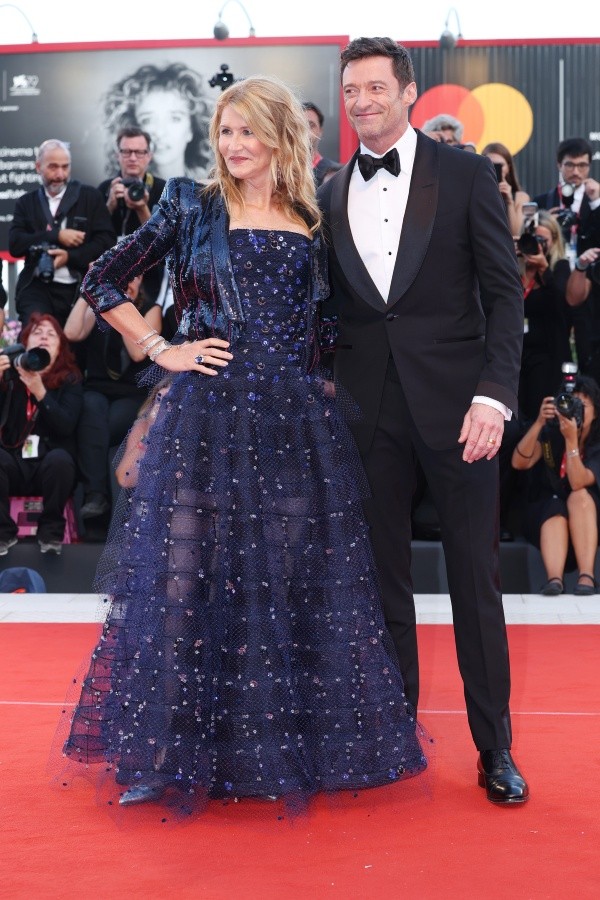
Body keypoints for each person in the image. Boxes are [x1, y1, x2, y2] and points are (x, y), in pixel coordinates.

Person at [59, 74, 426, 811]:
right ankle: (166, 754)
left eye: (248, 132)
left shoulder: (311, 216)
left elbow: (326, 327)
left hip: (292, 422)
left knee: (284, 587)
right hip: (206, 416)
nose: (233, 146)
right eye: (225, 132)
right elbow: (101, 277)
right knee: (183, 583)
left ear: (280, 136)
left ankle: (273, 751)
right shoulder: (189, 205)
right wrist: (159, 346)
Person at [318, 37, 528, 804]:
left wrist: (494, 395)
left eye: (376, 87)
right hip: (367, 415)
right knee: (382, 590)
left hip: (462, 414)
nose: (363, 101)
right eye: (352, 91)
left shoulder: (468, 175)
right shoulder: (331, 190)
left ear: (410, 93)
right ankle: (392, 738)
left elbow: (506, 300)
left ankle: (494, 750)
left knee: (476, 582)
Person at [64, 275, 162, 521]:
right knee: (90, 407)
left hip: (131, 392)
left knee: (100, 426)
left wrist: (124, 308)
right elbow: (71, 333)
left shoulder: (151, 310)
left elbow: (138, 353)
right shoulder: (98, 307)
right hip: (96, 389)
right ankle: (96, 495)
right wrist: (89, 291)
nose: (129, 279)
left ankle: (98, 498)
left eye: (137, 276)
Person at [8, 140, 116, 329]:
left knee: (83, 351)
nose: (60, 174)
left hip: (82, 287)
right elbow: (16, 245)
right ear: (38, 167)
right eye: (53, 167)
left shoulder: (90, 197)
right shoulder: (26, 202)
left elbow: (106, 242)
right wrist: (55, 235)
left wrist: (69, 257)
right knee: (38, 338)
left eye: (65, 167)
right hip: (37, 286)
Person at [0, 313, 83, 556]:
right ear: (24, 344)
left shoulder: (71, 380)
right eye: (37, 333)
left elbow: (66, 425)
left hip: (48, 467)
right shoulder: (9, 378)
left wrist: (41, 392)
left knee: (60, 460)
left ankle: (50, 534)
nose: (44, 337)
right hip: (12, 463)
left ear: (60, 348)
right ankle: (3, 535)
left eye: (51, 334)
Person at [511, 376, 600, 596]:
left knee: (579, 497)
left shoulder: (597, 443)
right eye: (571, 403)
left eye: (582, 405)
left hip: (588, 519)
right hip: (547, 515)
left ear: (596, 413)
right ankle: (554, 581)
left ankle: (587, 577)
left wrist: (571, 441)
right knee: (554, 506)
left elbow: (578, 481)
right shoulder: (551, 432)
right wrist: (540, 423)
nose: (575, 410)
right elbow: (519, 462)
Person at [102, 63, 213, 182]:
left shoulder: (211, 189)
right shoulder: (120, 191)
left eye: (175, 118)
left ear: (191, 130)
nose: (160, 132)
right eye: (147, 120)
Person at [516, 209, 573, 424]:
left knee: (539, 415)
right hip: (517, 354)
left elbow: (562, 306)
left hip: (547, 356)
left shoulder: (560, 267)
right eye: (534, 238)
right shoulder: (517, 267)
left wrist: (544, 269)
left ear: (554, 240)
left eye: (543, 239)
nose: (538, 245)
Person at [482, 142, 531, 236]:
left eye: (499, 166)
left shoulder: (520, 197)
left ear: (508, 168)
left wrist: (509, 201)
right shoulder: (476, 194)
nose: (495, 170)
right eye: (490, 165)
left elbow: (516, 234)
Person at [302, 101, 341, 187]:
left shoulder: (336, 174)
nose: (305, 130)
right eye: (299, 125)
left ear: (320, 131)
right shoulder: (278, 174)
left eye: (311, 125)